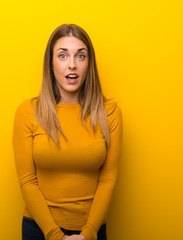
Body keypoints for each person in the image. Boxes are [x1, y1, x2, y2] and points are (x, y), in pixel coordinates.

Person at [12, 23, 123, 240]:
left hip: (92, 230)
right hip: (39, 230)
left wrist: (88, 233)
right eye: (63, 56)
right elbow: (27, 180)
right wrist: (55, 235)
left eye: (80, 56)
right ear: (51, 63)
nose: (72, 64)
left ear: (88, 64)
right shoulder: (28, 112)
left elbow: (108, 179)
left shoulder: (109, 112)